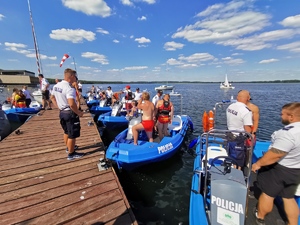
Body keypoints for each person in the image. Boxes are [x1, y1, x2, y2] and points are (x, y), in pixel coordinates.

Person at [252, 102, 300, 225]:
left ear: (291, 117)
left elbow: (276, 154)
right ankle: (293, 223)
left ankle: (260, 217)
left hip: (279, 169)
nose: (280, 116)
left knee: (268, 194)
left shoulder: (288, 133)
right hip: (295, 169)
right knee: (288, 198)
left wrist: (258, 164)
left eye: (282, 114)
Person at [50, 68, 84, 161]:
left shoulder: (56, 86)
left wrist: (59, 107)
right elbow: (72, 104)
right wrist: (79, 113)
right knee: (72, 134)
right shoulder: (69, 88)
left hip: (62, 112)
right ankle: (71, 154)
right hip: (70, 113)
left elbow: (52, 97)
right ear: (72, 76)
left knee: (66, 131)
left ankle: (68, 148)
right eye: (75, 76)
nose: (76, 78)